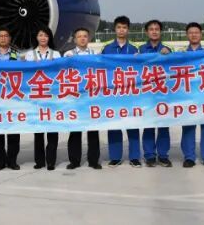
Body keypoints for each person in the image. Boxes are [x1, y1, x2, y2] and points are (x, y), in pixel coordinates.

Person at [102, 16, 141, 167]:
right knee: (114, 126)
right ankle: (115, 157)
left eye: (124, 27)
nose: (121, 30)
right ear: (115, 29)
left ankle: (134, 157)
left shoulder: (135, 49)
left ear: (128, 30)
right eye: (119, 27)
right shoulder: (106, 48)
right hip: (113, 94)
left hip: (131, 93)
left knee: (133, 125)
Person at [24, 26, 62, 170]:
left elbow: (59, 73)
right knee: (38, 132)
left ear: (49, 37)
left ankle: (51, 160)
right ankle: (39, 161)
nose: (43, 38)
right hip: (36, 98)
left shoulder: (56, 54)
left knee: (52, 130)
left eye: (46, 35)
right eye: (40, 35)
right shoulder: (29, 55)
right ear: (36, 37)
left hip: (52, 97)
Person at [179, 23, 204, 168]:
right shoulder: (181, 54)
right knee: (188, 126)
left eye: (196, 32)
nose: (194, 35)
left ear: (201, 35)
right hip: (187, 96)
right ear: (187, 35)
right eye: (191, 32)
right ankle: (189, 157)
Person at [64, 27, 101, 169]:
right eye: (79, 36)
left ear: (89, 38)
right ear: (75, 39)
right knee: (75, 130)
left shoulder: (95, 54)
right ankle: (74, 160)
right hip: (76, 98)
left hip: (92, 97)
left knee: (93, 130)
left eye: (85, 36)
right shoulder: (68, 54)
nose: (82, 38)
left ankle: (93, 160)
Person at [138, 19, 173, 167]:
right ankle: (149, 155)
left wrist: (169, 55)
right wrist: (134, 59)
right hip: (147, 94)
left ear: (160, 31)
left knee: (164, 125)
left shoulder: (168, 49)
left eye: (156, 29)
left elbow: (177, 67)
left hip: (164, 94)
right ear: (147, 32)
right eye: (151, 29)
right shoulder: (140, 50)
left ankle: (163, 155)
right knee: (149, 125)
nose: (154, 31)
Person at [0, 28, 21, 170]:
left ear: (10, 38)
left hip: (12, 97)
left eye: (6, 36)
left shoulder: (16, 54)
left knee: (13, 131)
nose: (3, 38)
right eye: (1, 36)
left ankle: (12, 160)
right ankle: (0, 161)